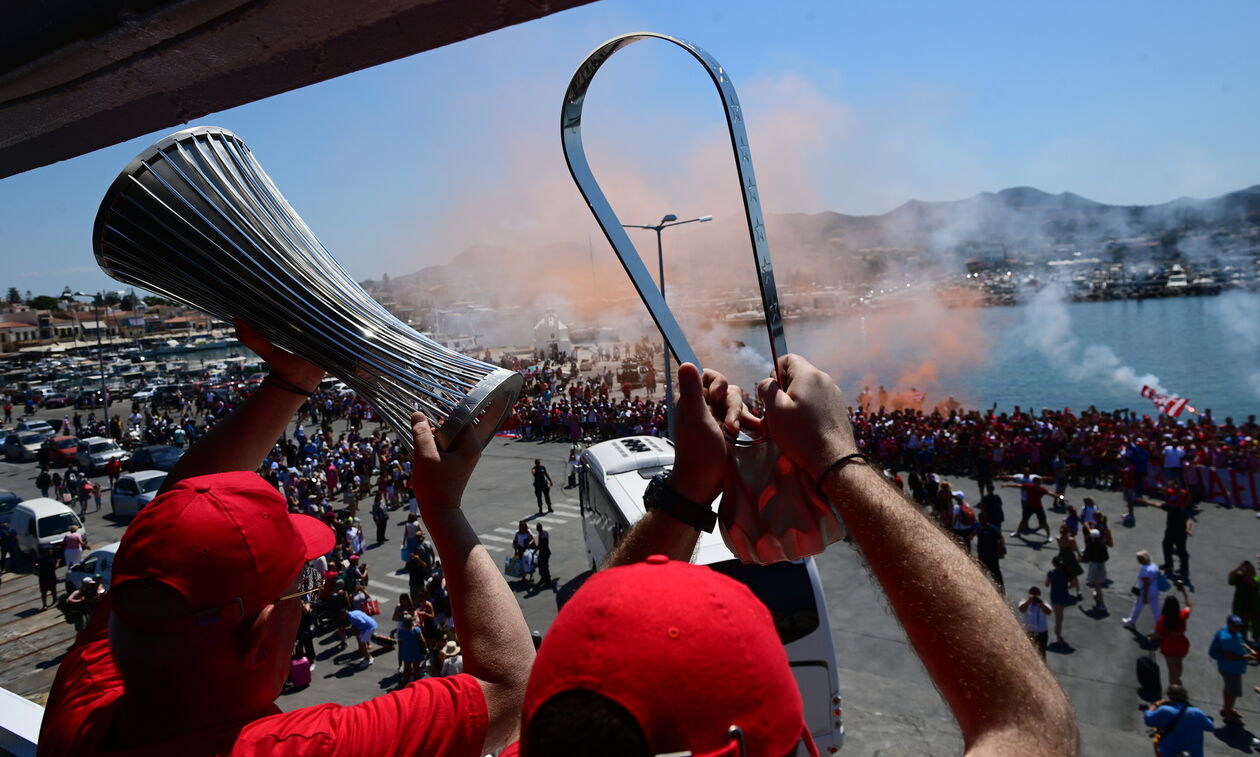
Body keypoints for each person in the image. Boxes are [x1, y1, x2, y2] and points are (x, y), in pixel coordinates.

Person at [501, 358, 1078, 755]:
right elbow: (1031, 724)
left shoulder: (551, 738)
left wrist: (691, 488)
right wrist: (835, 458)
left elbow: (537, 679)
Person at [39, 322, 535, 756]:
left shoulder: (86, 703)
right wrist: (444, 510)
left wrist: (289, 382)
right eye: (303, 585)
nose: (312, 596)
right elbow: (512, 687)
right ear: (258, 640)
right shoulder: (296, 748)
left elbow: (167, 535)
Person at [1208, 615, 1258, 725]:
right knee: (1232, 692)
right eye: (1235, 626)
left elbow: (1241, 641)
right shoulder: (1227, 638)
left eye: (1240, 626)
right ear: (1229, 624)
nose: (1238, 628)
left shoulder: (1233, 632)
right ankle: (1228, 717)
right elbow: (1230, 655)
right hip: (1230, 668)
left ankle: (1227, 709)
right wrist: (1247, 657)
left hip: (1231, 668)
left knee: (1229, 689)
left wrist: (1250, 649)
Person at [1143, 684, 1214, 757]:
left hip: (1170, 753)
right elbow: (1210, 727)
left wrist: (1155, 705)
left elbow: (1148, 720)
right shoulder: (1196, 712)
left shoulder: (1165, 710)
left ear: (1169, 696)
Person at [1150, 582, 1192, 686]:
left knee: (1171, 668)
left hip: (1169, 645)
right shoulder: (1182, 615)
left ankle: (1174, 687)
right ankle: (1177, 680)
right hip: (1182, 643)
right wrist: (1183, 591)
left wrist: (1150, 637)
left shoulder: (1162, 620)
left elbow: (1157, 634)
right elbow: (1189, 605)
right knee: (1179, 663)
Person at [1159, 482, 1192, 579]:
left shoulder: (1183, 495)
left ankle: (1184, 568)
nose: (1175, 486)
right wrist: (1166, 487)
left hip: (1180, 530)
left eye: (1176, 484)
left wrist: (1188, 529)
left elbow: (1188, 503)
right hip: (1170, 527)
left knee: (1181, 550)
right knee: (1166, 545)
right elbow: (1163, 493)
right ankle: (1169, 564)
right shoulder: (1170, 494)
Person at [1123, 550, 1161, 630]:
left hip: (1145, 591)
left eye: (1139, 559)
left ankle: (1131, 622)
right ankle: (1161, 627)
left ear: (1143, 559)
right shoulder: (1154, 566)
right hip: (1155, 590)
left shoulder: (1144, 569)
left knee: (1137, 606)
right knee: (1156, 609)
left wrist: (1145, 596)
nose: (1138, 561)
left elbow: (1146, 584)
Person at [1045, 556, 1077, 645]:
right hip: (1063, 595)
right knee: (1060, 617)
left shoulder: (1051, 573)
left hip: (1055, 596)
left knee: (1058, 618)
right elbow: (1073, 584)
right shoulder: (1066, 573)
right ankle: (1058, 634)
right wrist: (1066, 587)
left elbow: (1047, 584)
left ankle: (1058, 636)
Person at [1228, 560, 1259, 641]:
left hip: (1253, 607)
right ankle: (1242, 642)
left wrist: (1248, 575)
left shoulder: (1256, 578)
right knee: (1241, 627)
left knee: (1256, 627)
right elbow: (1230, 578)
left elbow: (1255, 584)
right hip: (1240, 607)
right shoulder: (1239, 577)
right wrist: (1238, 568)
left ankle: (1256, 641)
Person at [1081, 527, 1110, 610]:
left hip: (1094, 565)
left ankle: (1101, 604)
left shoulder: (1090, 545)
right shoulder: (1102, 545)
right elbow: (1106, 557)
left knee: (1097, 586)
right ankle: (1097, 596)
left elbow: (1086, 557)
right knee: (1098, 584)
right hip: (1102, 565)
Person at [1020, 586, 1052, 659]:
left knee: (1042, 653)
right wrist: (1029, 602)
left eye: (1036, 594)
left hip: (1042, 633)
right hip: (1029, 632)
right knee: (1028, 652)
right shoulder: (1024, 602)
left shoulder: (1044, 603)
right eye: (1032, 594)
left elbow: (1049, 612)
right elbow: (1021, 609)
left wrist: (1041, 604)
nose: (1034, 596)